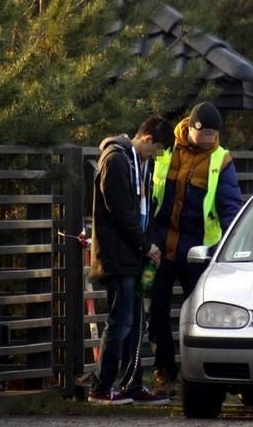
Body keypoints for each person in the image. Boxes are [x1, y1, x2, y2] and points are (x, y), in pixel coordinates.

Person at [148, 101, 243, 396]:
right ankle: (165, 374)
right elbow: (148, 198)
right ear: (190, 129)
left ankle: (203, 379)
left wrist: (229, 248)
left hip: (199, 252)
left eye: (214, 137)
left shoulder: (221, 161)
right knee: (156, 312)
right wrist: (147, 239)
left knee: (201, 316)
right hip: (160, 249)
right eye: (204, 136)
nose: (209, 142)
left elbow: (230, 207)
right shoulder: (165, 151)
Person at [87, 115, 175, 405]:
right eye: (159, 149)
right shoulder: (116, 160)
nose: (158, 156)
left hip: (136, 256)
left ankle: (132, 385)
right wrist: (145, 244)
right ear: (148, 140)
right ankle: (101, 386)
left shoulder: (143, 165)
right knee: (120, 322)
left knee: (137, 322)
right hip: (117, 255)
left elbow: (145, 208)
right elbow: (121, 210)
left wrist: (150, 245)